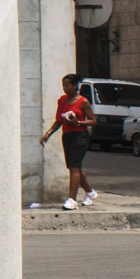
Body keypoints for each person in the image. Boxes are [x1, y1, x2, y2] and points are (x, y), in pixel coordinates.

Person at [40, 73, 97, 210]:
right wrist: (48, 134)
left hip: (80, 136)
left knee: (74, 167)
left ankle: (72, 199)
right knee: (75, 167)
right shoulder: (62, 100)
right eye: (63, 85)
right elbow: (59, 121)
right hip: (67, 136)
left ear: (75, 86)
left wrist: (79, 122)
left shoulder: (83, 101)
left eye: (67, 85)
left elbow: (93, 121)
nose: (65, 88)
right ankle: (90, 192)